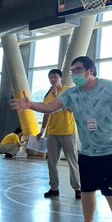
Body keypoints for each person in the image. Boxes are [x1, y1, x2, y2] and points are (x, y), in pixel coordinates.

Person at [11, 56, 112, 222]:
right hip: (87, 150)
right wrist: (30, 105)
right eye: (72, 71)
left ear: (91, 71)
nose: (74, 74)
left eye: (78, 70)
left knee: (110, 190)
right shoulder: (71, 94)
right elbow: (49, 107)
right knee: (87, 190)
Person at [37, 69, 81, 199]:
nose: (52, 79)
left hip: (68, 131)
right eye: (50, 77)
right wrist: (42, 130)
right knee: (51, 162)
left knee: (72, 161)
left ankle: (78, 188)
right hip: (53, 133)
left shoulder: (68, 91)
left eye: (55, 76)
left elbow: (71, 109)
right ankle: (54, 188)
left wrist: (57, 96)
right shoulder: (47, 95)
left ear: (61, 78)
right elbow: (46, 113)